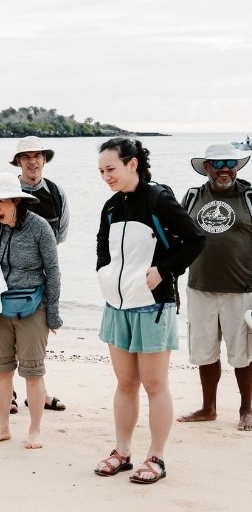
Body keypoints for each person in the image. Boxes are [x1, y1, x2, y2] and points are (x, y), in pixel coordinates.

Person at [94, 138, 205, 484]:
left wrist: (164, 271)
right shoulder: (111, 207)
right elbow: (102, 248)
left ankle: (156, 457)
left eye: (111, 169)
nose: (105, 176)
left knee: (155, 384)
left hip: (153, 306)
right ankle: (122, 452)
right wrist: (104, 274)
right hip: (117, 305)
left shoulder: (159, 200)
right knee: (125, 383)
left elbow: (196, 239)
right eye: (100, 171)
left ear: (133, 164)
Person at [0, 172, 62, 449]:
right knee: (1, 370)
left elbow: (54, 271)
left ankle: (34, 431)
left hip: (33, 306)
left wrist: (53, 314)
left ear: (16, 200)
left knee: (33, 372)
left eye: (1, 201)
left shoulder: (39, 228)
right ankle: (3, 428)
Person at [0, 136, 69, 413]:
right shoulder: (1, 195)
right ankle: (8, 394)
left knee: (35, 348)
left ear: (44, 159)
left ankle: (39, 394)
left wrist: (38, 257)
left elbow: (61, 235)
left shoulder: (57, 194)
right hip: (2, 284)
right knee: (5, 352)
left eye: (37, 156)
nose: (32, 161)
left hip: (37, 281)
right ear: (18, 161)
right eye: (26, 157)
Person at [176, 143, 252, 430]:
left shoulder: (249, 197)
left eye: (230, 163)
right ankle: (208, 408)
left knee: (244, 353)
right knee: (205, 350)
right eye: (217, 164)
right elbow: (178, 237)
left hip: (242, 289)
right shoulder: (194, 196)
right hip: (200, 287)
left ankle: (247, 409)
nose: (224, 169)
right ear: (206, 167)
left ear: (237, 166)